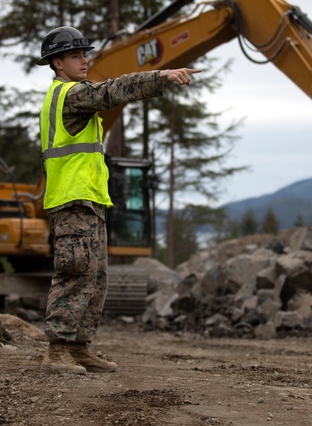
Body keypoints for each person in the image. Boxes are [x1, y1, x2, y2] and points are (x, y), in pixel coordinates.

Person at [36, 26, 200, 374]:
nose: (85, 60)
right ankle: (56, 351)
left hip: (90, 202)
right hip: (72, 202)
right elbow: (112, 90)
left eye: (85, 54)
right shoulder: (71, 95)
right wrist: (161, 75)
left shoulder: (71, 95)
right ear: (57, 63)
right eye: (76, 55)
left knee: (95, 277)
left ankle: (78, 347)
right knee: (75, 274)